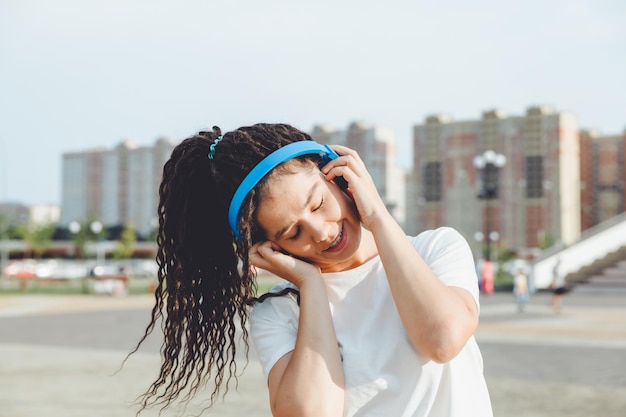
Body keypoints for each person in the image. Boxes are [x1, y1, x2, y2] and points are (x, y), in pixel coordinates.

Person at [130, 123, 493, 416]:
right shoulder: (280, 313)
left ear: (338, 176)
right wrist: (311, 286)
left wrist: (379, 216)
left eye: (317, 204)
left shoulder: (435, 249)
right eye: (293, 232)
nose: (320, 232)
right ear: (270, 247)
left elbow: (442, 339)